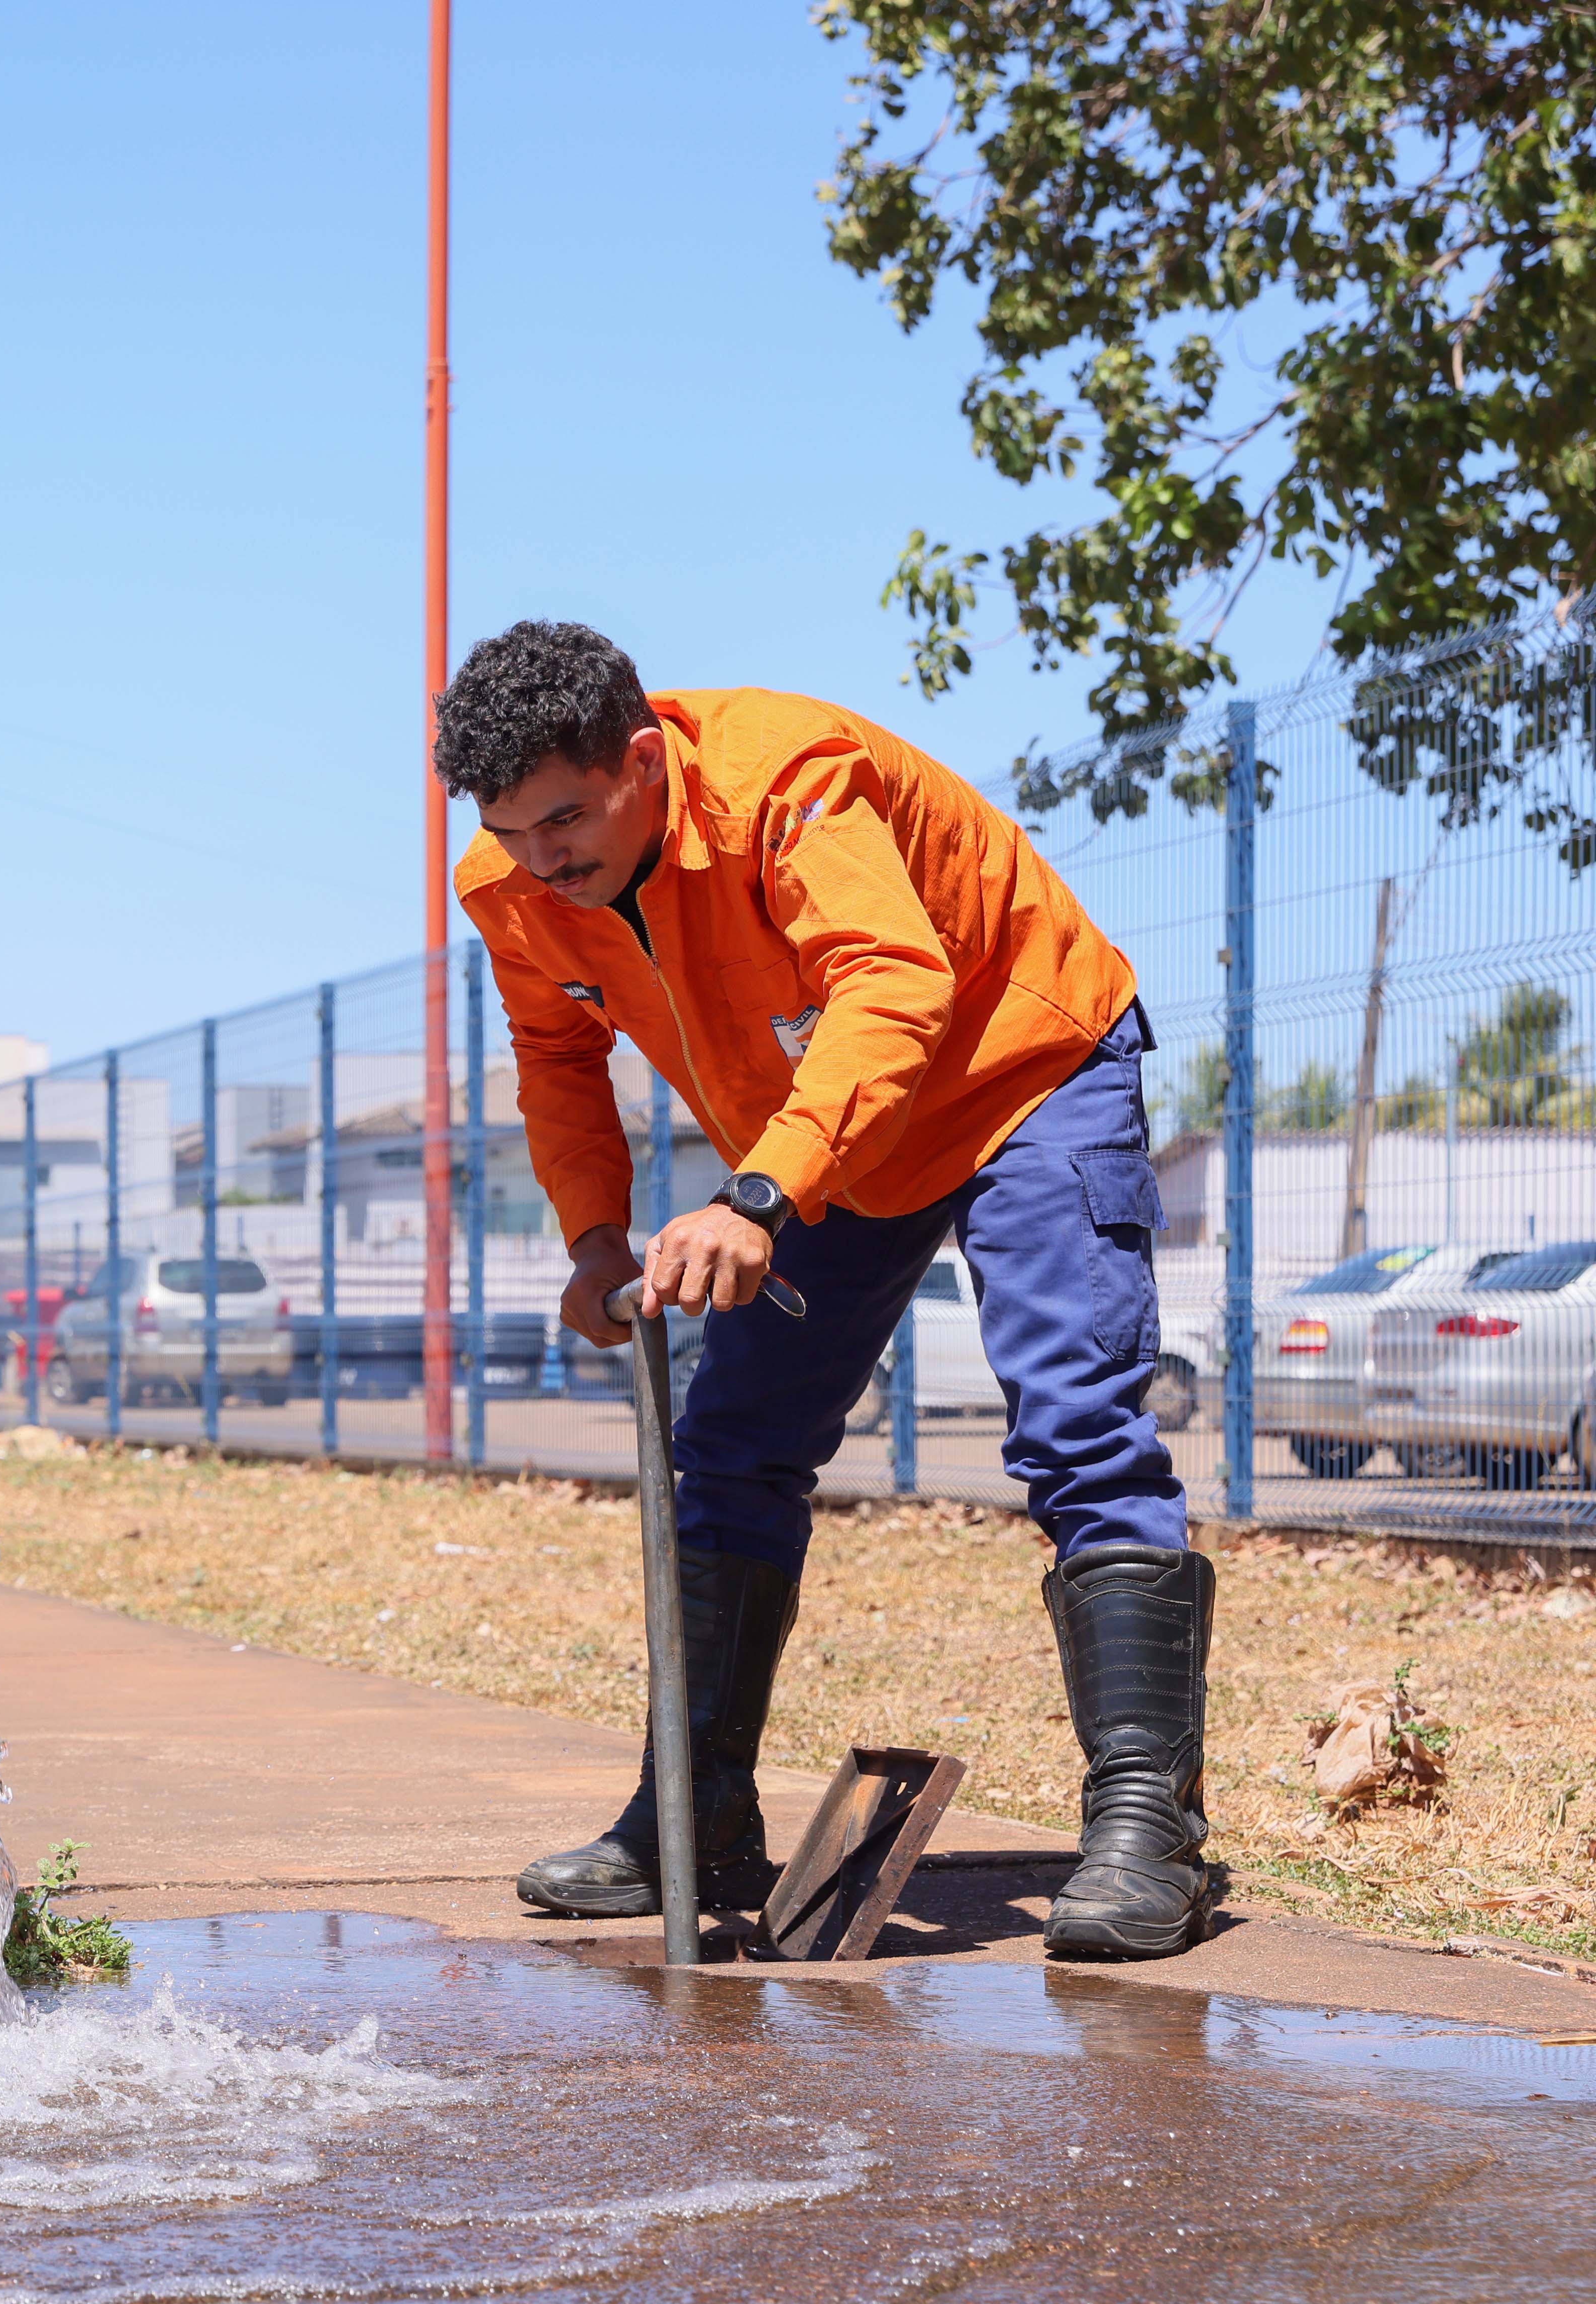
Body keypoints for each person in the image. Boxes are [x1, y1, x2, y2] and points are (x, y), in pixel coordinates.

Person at [432, 620, 1217, 1961]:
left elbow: (893, 985)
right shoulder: (509, 892)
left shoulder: (789, 780)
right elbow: (559, 1060)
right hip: (835, 1137)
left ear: (641, 758)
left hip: (1016, 1070)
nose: (545, 859)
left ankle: (1151, 1828)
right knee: (729, 1446)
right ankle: (694, 1813)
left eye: (567, 818)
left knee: (1074, 1422)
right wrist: (594, 1240)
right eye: (512, 832)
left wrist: (758, 1194)